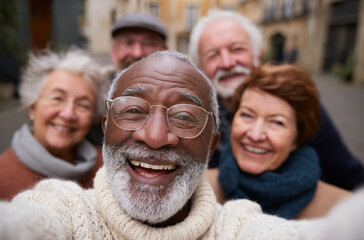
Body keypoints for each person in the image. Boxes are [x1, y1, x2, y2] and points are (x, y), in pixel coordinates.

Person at [0, 50, 364, 240]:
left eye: (186, 117)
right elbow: (33, 223)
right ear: (106, 126)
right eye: (133, 110)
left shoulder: (235, 222)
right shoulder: (67, 205)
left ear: (211, 145)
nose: (156, 137)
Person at [188, 9, 364, 190]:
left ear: (258, 55)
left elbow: (350, 176)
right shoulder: (193, 120)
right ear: (200, 68)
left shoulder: (298, 105)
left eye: (237, 49)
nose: (227, 63)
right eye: (213, 55)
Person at [211, 63, 350, 219]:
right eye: (247, 115)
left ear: (296, 139)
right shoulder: (197, 191)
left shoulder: (343, 212)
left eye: (277, 122)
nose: (255, 135)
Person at [0, 49, 106, 200]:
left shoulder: (108, 168)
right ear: (32, 106)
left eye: (83, 105)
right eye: (57, 98)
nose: (68, 114)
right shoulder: (3, 176)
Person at [87, 13, 168, 146]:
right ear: (114, 51)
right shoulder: (94, 94)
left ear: (165, 51)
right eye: (128, 43)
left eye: (149, 43)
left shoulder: (179, 97)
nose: (137, 53)